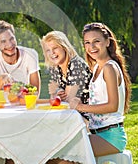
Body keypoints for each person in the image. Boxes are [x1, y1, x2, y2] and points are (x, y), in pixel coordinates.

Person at [68, 22, 132, 158]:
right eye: (87, 42)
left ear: (108, 42)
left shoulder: (109, 68)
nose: (91, 47)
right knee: (60, 152)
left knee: (65, 156)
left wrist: (81, 107)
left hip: (111, 137)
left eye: (96, 41)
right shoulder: (97, 67)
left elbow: (112, 106)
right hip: (97, 133)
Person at [0, 20, 41, 97]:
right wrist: (0, 80)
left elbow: (35, 92)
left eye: (11, 39)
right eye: (3, 41)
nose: (10, 45)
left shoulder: (30, 55)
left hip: (23, 104)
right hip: (0, 105)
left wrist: (21, 92)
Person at [41, 31, 92, 107]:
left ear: (64, 47)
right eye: (48, 50)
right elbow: (54, 99)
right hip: (71, 112)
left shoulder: (76, 65)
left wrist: (57, 93)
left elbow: (68, 101)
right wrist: (57, 92)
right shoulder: (55, 68)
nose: (52, 53)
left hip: (86, 114)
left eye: (55, 48)